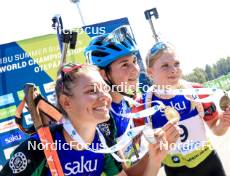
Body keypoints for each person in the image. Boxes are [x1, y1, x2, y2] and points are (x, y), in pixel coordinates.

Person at [0, 63, 173, 176]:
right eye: (91, 91)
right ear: (66, 102)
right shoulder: (40, 146)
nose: (104, 97)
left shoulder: (103, 138)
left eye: (104, 89)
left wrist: (155, 159)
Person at [84, 26, 180, 173]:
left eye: (134, 61)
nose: (136, 69)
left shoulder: (126, 102)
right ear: (103, 75)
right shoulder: (100, 119)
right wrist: (155, 153)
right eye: (124, 64)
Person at [143, 41, 230, 176]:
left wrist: (224, 124)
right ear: (150, 72)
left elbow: (216, 130)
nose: (173, 70)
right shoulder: (142, 105)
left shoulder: (197, 91)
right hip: (175, 170)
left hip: (209, 164)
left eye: (176, 64)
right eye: (165, 65)